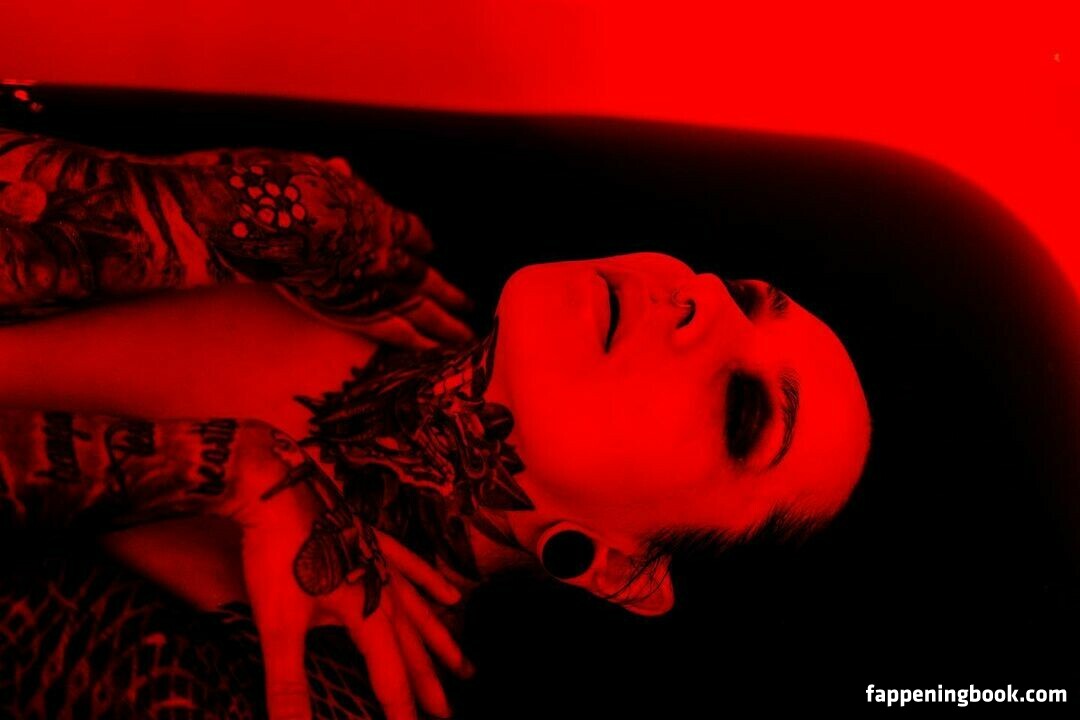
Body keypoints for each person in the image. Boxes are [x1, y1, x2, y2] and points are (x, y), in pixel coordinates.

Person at [0, 128, 872, 719]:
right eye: (746, 296)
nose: (705, 298)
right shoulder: (339, 246)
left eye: (743, 411)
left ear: (618, 568)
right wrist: (214, 207)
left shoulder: (298, 691)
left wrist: (218, 467)